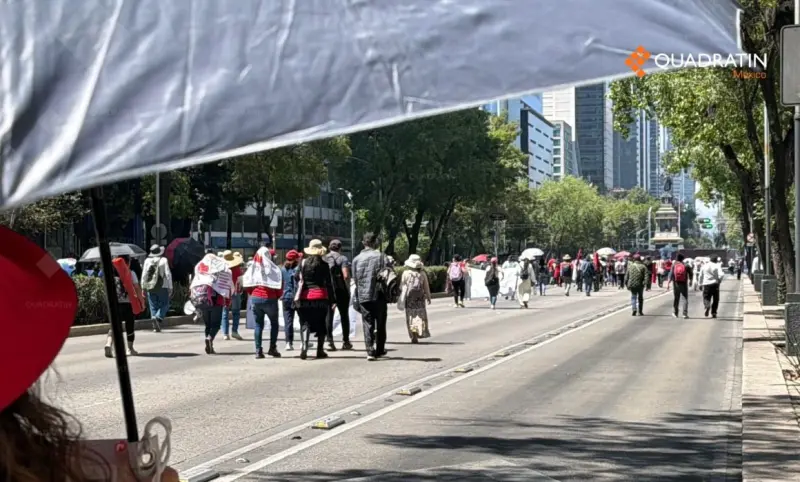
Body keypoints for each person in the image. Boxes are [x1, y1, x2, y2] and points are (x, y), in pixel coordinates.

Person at [295, 239, 335, 360]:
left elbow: (297, 277)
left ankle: (304, 348)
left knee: (305, 323)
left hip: (305, 297)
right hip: (321, 297)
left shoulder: (303, 263)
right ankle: (320, 350)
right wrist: (333, 300)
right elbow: (329, 283)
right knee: (321, 323)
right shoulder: (324, 265)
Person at [352, 232, 390, 361]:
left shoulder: (356, 259)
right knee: (380, 323)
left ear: (364, 243)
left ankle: (370, 350)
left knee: (367, 322)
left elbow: (355, 279)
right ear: (375, 243)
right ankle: (380, 349)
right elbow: (388, 274)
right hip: (379, 294)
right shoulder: (381, 256)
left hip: (363, 294)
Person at [243, 246, 283, 359]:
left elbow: (247, 284)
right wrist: (277, 296)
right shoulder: (274, 269)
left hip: (255, 298)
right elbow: (279, 287)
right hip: (270, 298)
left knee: (258, 324)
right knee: (274, 323)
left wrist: (253, 294)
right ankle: (272, 347)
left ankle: (258, 350)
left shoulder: (252, 269)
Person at [190, 253, 232, 354]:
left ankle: (209, 346)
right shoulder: (220, 268)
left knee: (208, 325)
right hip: (216, 302)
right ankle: (210, 338)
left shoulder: (199, 268)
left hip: (202, 301)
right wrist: (228, 299)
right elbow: (226, 284)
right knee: (216, 325)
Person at [104, 255, 145, 358]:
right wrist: (142, 302)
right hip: (128, 304)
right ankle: (129, 349)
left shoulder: (111, 275)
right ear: (127, 263)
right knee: (129, 326)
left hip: (114, 304)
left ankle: (108, 344)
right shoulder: (131, 273)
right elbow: (137, 289)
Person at [324, 239, 354, 351]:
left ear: (329, 247)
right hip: (341, 290)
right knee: (344, 315)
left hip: (328, 291)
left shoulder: (325, 258)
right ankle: (346, 341)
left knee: (328, 315)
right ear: (340, 248)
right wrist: (347, 288)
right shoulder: (343, 258)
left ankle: (329, 341)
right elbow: (346, 275)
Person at [141, 244, 173, 333]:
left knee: (153, 306)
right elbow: (167, 274)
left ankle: (155, 325)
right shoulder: (163, 260)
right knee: (165, 304)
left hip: (150, 286)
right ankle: (158, 318)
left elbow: (144, 274)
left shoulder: (147, 260)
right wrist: (170, 287)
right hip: (161, 286)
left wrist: (143, 287)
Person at [400, 254, 432, 343]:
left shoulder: (406, 273)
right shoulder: (422, 274)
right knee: (418, 316)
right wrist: (428, 297)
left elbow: (402, 286)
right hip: (420, 299)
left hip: (409, 299)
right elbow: (426, 287)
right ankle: (418, 333)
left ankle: (413, 335)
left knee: (411, 316)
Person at [220, 250, 245, 341]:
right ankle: (234, 331)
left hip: (225, 293)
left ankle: (225, 333)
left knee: (225, 312)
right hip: (236, 292)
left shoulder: (222, 269)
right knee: (236, 312)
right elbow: (241, 282)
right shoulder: (238, 269)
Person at [280, 250, 301, 351]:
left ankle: (288, 343)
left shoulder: (282, 269)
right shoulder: (298, 268)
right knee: (303, 319)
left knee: (288, 321)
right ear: (296, 258)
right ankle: (303, 341)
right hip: (297, 296)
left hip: (285, 297)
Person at [666, 253, 692, 319]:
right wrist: (690, 281)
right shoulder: (686, 265)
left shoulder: (674, 265)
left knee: (676, 298)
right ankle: (685, 314)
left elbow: (671, 274)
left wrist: (668, 284)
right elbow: (691, 274)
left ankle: (675, 313)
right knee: (684, 298)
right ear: (682, 259)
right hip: (683, 283)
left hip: (676, 283)